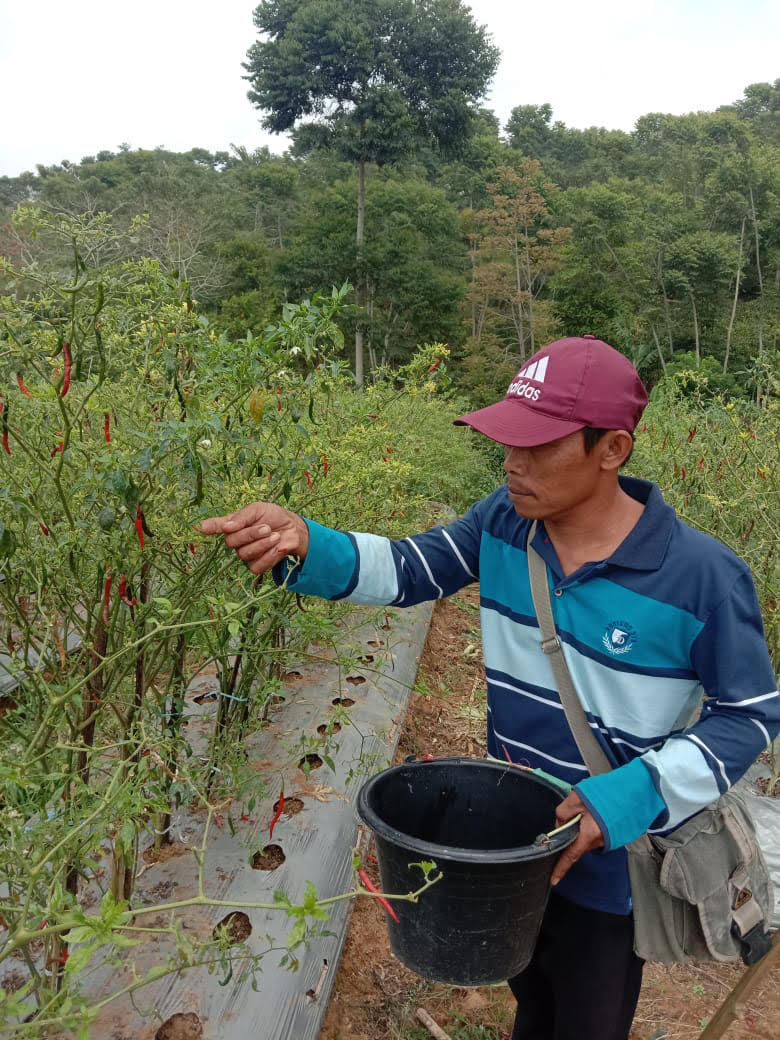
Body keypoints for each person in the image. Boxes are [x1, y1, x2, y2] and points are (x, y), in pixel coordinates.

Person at [200, 335, 779, 1040]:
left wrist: (624, 797)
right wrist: (307, 543)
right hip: (517, 845)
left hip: (609, 860)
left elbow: (747, 718)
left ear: (613, 449)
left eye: (539, 447)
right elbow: (409, 568)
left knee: (587, 1015)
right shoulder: (505, 525)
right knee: (530, 999)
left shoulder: (701, 578)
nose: (512, 463)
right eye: (508, 442)